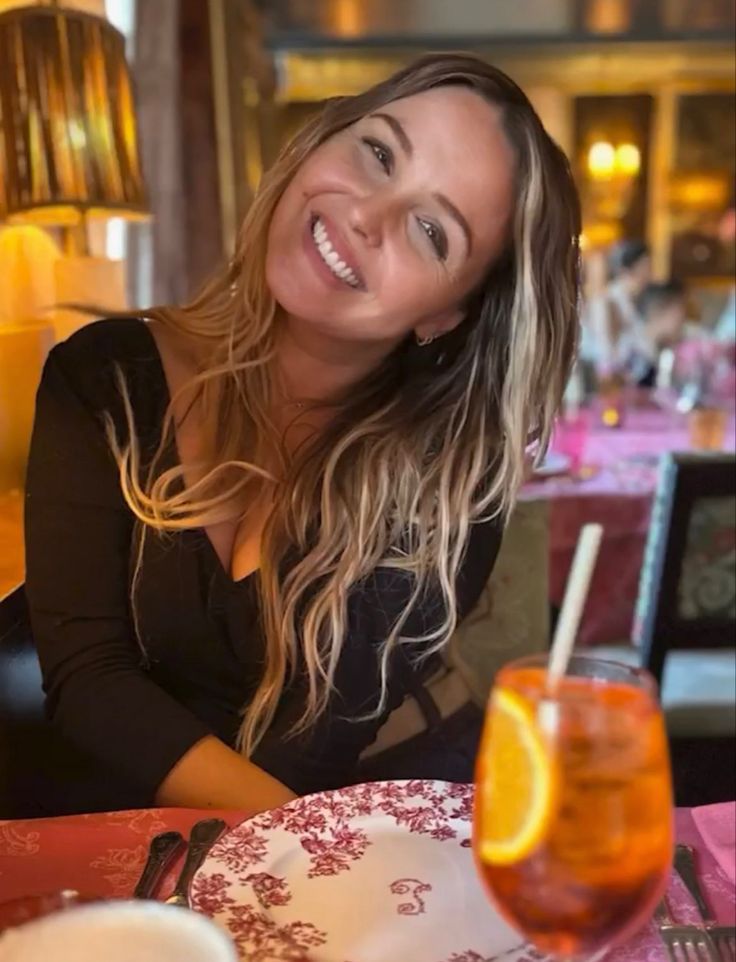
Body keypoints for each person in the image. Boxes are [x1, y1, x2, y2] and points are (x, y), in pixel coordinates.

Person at [24, 53, 581, 814]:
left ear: (445, 314)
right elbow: (89, 679)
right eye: (378, 152)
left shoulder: (449, 482)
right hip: (152, 833)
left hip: (340, 825)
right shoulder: (102, 379)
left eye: (429, 230)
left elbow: (311, 751)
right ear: (323, 138)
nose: (366, 215)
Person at [588, 239, 651, 378]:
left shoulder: (643, 298)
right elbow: (604, 348)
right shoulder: (608, 300)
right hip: (617, 376)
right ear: (627, 270)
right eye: (645, 266)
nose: (649, 273)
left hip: (642, 371)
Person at [629, 280, 688, 387]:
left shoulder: (663, 351)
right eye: (679, 308)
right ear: (657, 310)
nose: (683, 316)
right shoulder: (631, 356)